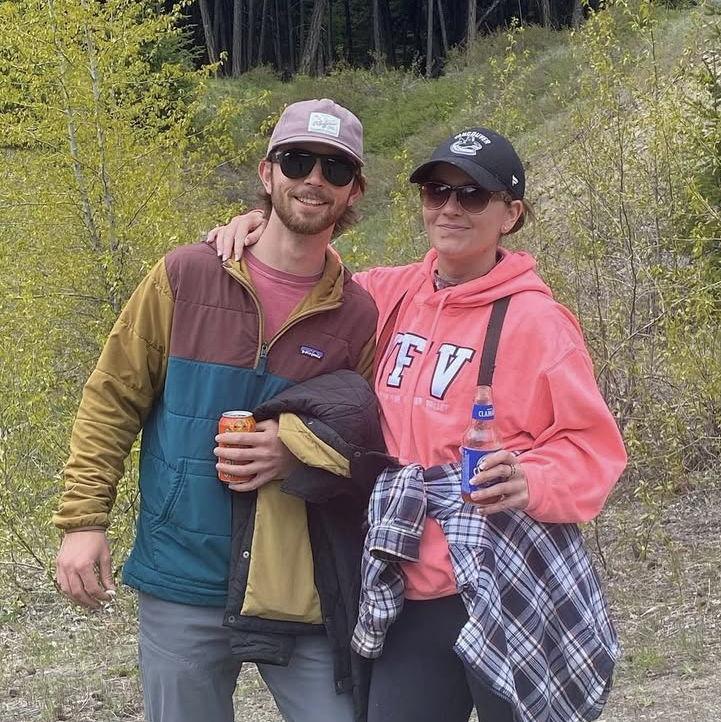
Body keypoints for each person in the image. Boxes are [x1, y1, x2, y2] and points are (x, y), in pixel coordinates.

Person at [208, 126, 628, 722]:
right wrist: (257, 225)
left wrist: (531, 479)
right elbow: (305, 271)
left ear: (510, 215)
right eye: (437, 191)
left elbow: (592, 448)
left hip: (502, 577)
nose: (451, 207)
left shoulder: (539, 323)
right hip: (408, 581)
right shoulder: (390, 293)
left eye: (472, 195)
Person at [53, 98, 380, 722]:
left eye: (335, 169)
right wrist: (83, 520)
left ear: (353, 191)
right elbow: (112, 398)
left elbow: (362, 442)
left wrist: (294, 453)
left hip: (298, 582)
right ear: (267, 172)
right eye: (297, 161)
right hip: (182, 572)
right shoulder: (186, 275)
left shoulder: (359, 313)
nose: (314, 179)